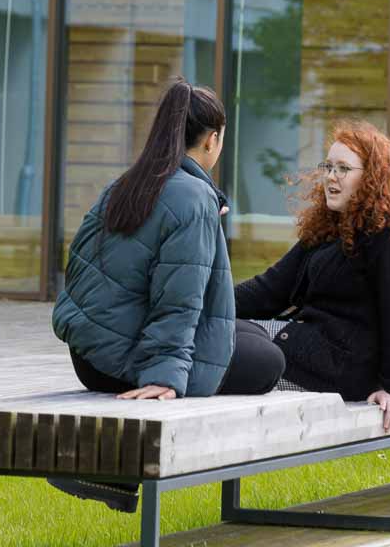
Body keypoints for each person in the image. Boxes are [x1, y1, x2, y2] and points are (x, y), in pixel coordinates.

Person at [49, 78, 285, 512]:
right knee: (269, 361)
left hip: (90, 356)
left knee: (245, 334)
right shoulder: (192, 198)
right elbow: (178, 300)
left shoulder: (129, 183)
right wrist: (164, 378)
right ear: (212, 140)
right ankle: (113, 471)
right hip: (131, 366)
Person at [234, 121, 390, 432]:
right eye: (328, 166)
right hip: (305, 344)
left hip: (342, 368)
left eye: (343, 169)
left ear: (372, 178)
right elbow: (268, 290)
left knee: (219, 346)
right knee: (216, 331)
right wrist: (206, 302)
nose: (331, 177)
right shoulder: (330, 228)